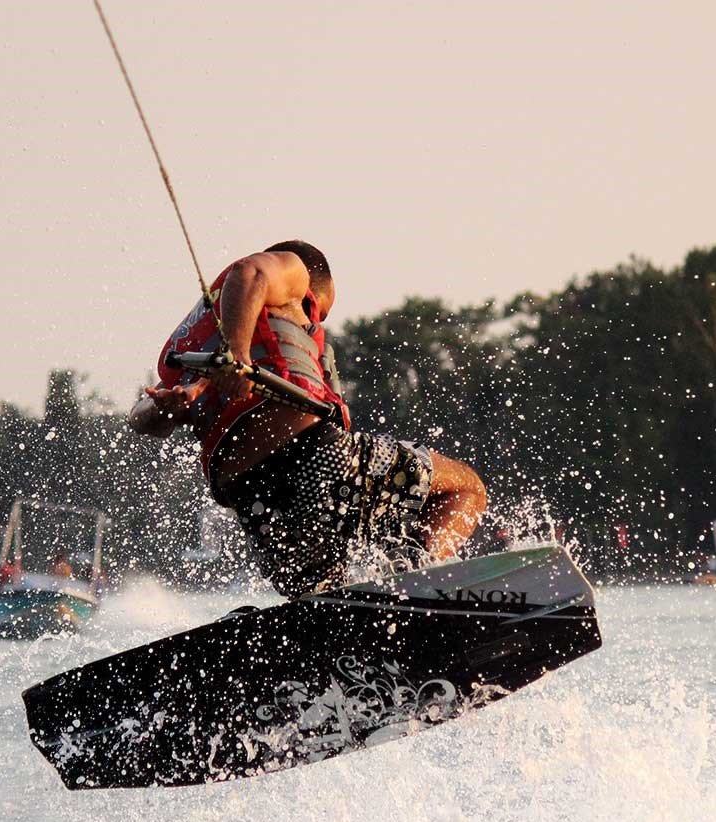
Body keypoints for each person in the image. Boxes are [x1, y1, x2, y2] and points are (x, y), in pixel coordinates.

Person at [129, 240, 486, 597]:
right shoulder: (293, 268)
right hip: (312, 460)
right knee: (466, 488)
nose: (313, 326)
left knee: (324, 600)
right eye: (317, 314)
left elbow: (139, 419)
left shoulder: (203, 345)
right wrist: (238, 356)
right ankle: (417, 586)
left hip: (253, 502)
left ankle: (367, 613)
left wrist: (165, 408)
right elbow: (248, 271)